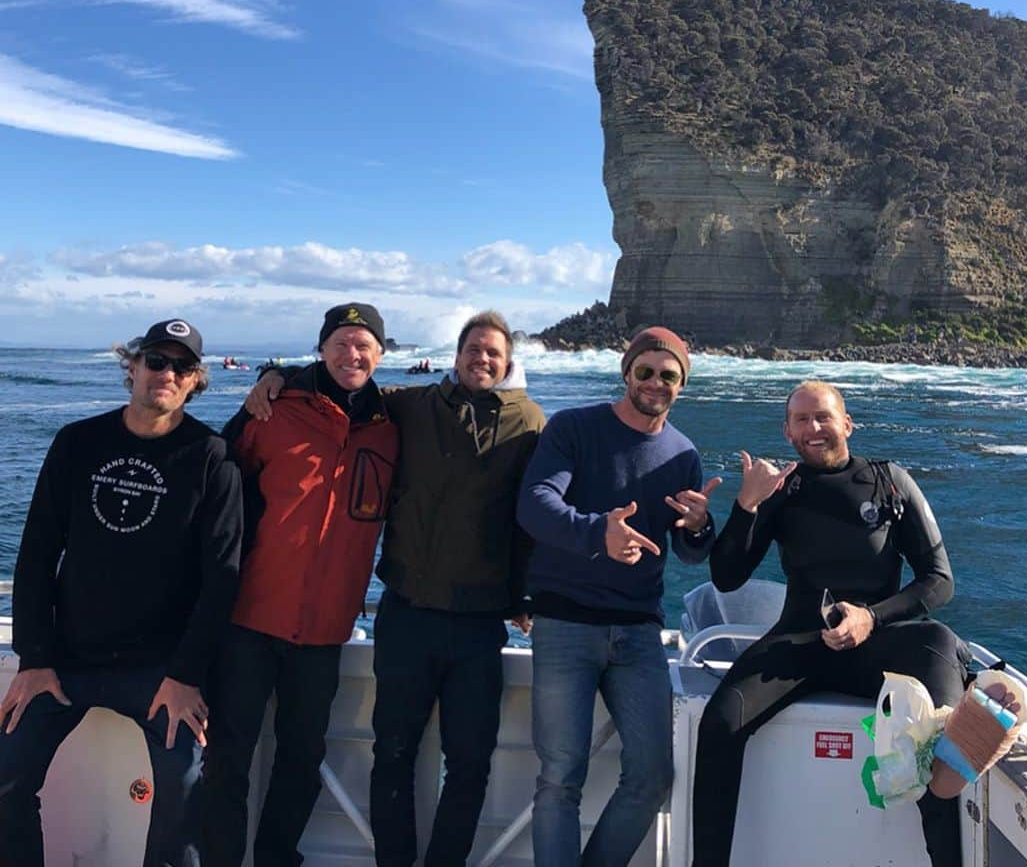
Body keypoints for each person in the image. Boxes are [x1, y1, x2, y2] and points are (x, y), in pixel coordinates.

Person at [244, 310, 545, 867]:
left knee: (471, 763)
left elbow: (534, 518)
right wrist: (274, 376)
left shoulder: (530, 423)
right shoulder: (411, 405)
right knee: (393, 756)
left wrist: (526, 594)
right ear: (456, 356)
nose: (482, 359)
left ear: (508, 364)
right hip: (407, 614)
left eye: (493, 353)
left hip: (479, 623)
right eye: (473, 349)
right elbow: (341, 384)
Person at [691, 380, 968, 866]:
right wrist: (746, 505)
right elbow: (727, 577)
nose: (813, 428)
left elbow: (938, 580)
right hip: (800, 643)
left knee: (937, 652)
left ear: (847, 423)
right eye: (801, 420)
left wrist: (871, 617)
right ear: (787, 431)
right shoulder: (781, 491)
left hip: (880, 644)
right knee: (717, 726)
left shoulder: (889, 481)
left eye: (823, 417)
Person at [0, 318, 243, 867]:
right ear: (131, 368)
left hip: (160, 670)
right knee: (6, 775)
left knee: (183, 793)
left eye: (181, 366)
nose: (166, 373)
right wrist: (34, 658)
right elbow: (37, 552)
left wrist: (185, 675)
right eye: (156, 360)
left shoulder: (213, 458)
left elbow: (221, 576)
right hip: (67, 658)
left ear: (195, 381)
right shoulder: (78, 442)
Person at [200, 302, 400, 867]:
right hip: (250, 617)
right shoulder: (272, 411)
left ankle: (275, 858)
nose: (351, 354)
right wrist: (273, 376)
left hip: (325, 629)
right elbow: (213, 489)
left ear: (382, 355)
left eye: (364, 345)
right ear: (321, 348)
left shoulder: (392, 427)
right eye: (340, 342)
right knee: (227, 758)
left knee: (302, 758)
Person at [517, 327, 720, 867]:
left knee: (653, 775)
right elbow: (535, 505)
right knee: (560, 776)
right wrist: (596, 532)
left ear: (681, 386)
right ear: (627, 372)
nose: (656, 383)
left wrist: (700, 526)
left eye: (669, 376)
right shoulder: (574, 428)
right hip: (564, 624)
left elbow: (690, 553)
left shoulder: (683, 454)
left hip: (638, 632)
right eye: (646, 371)